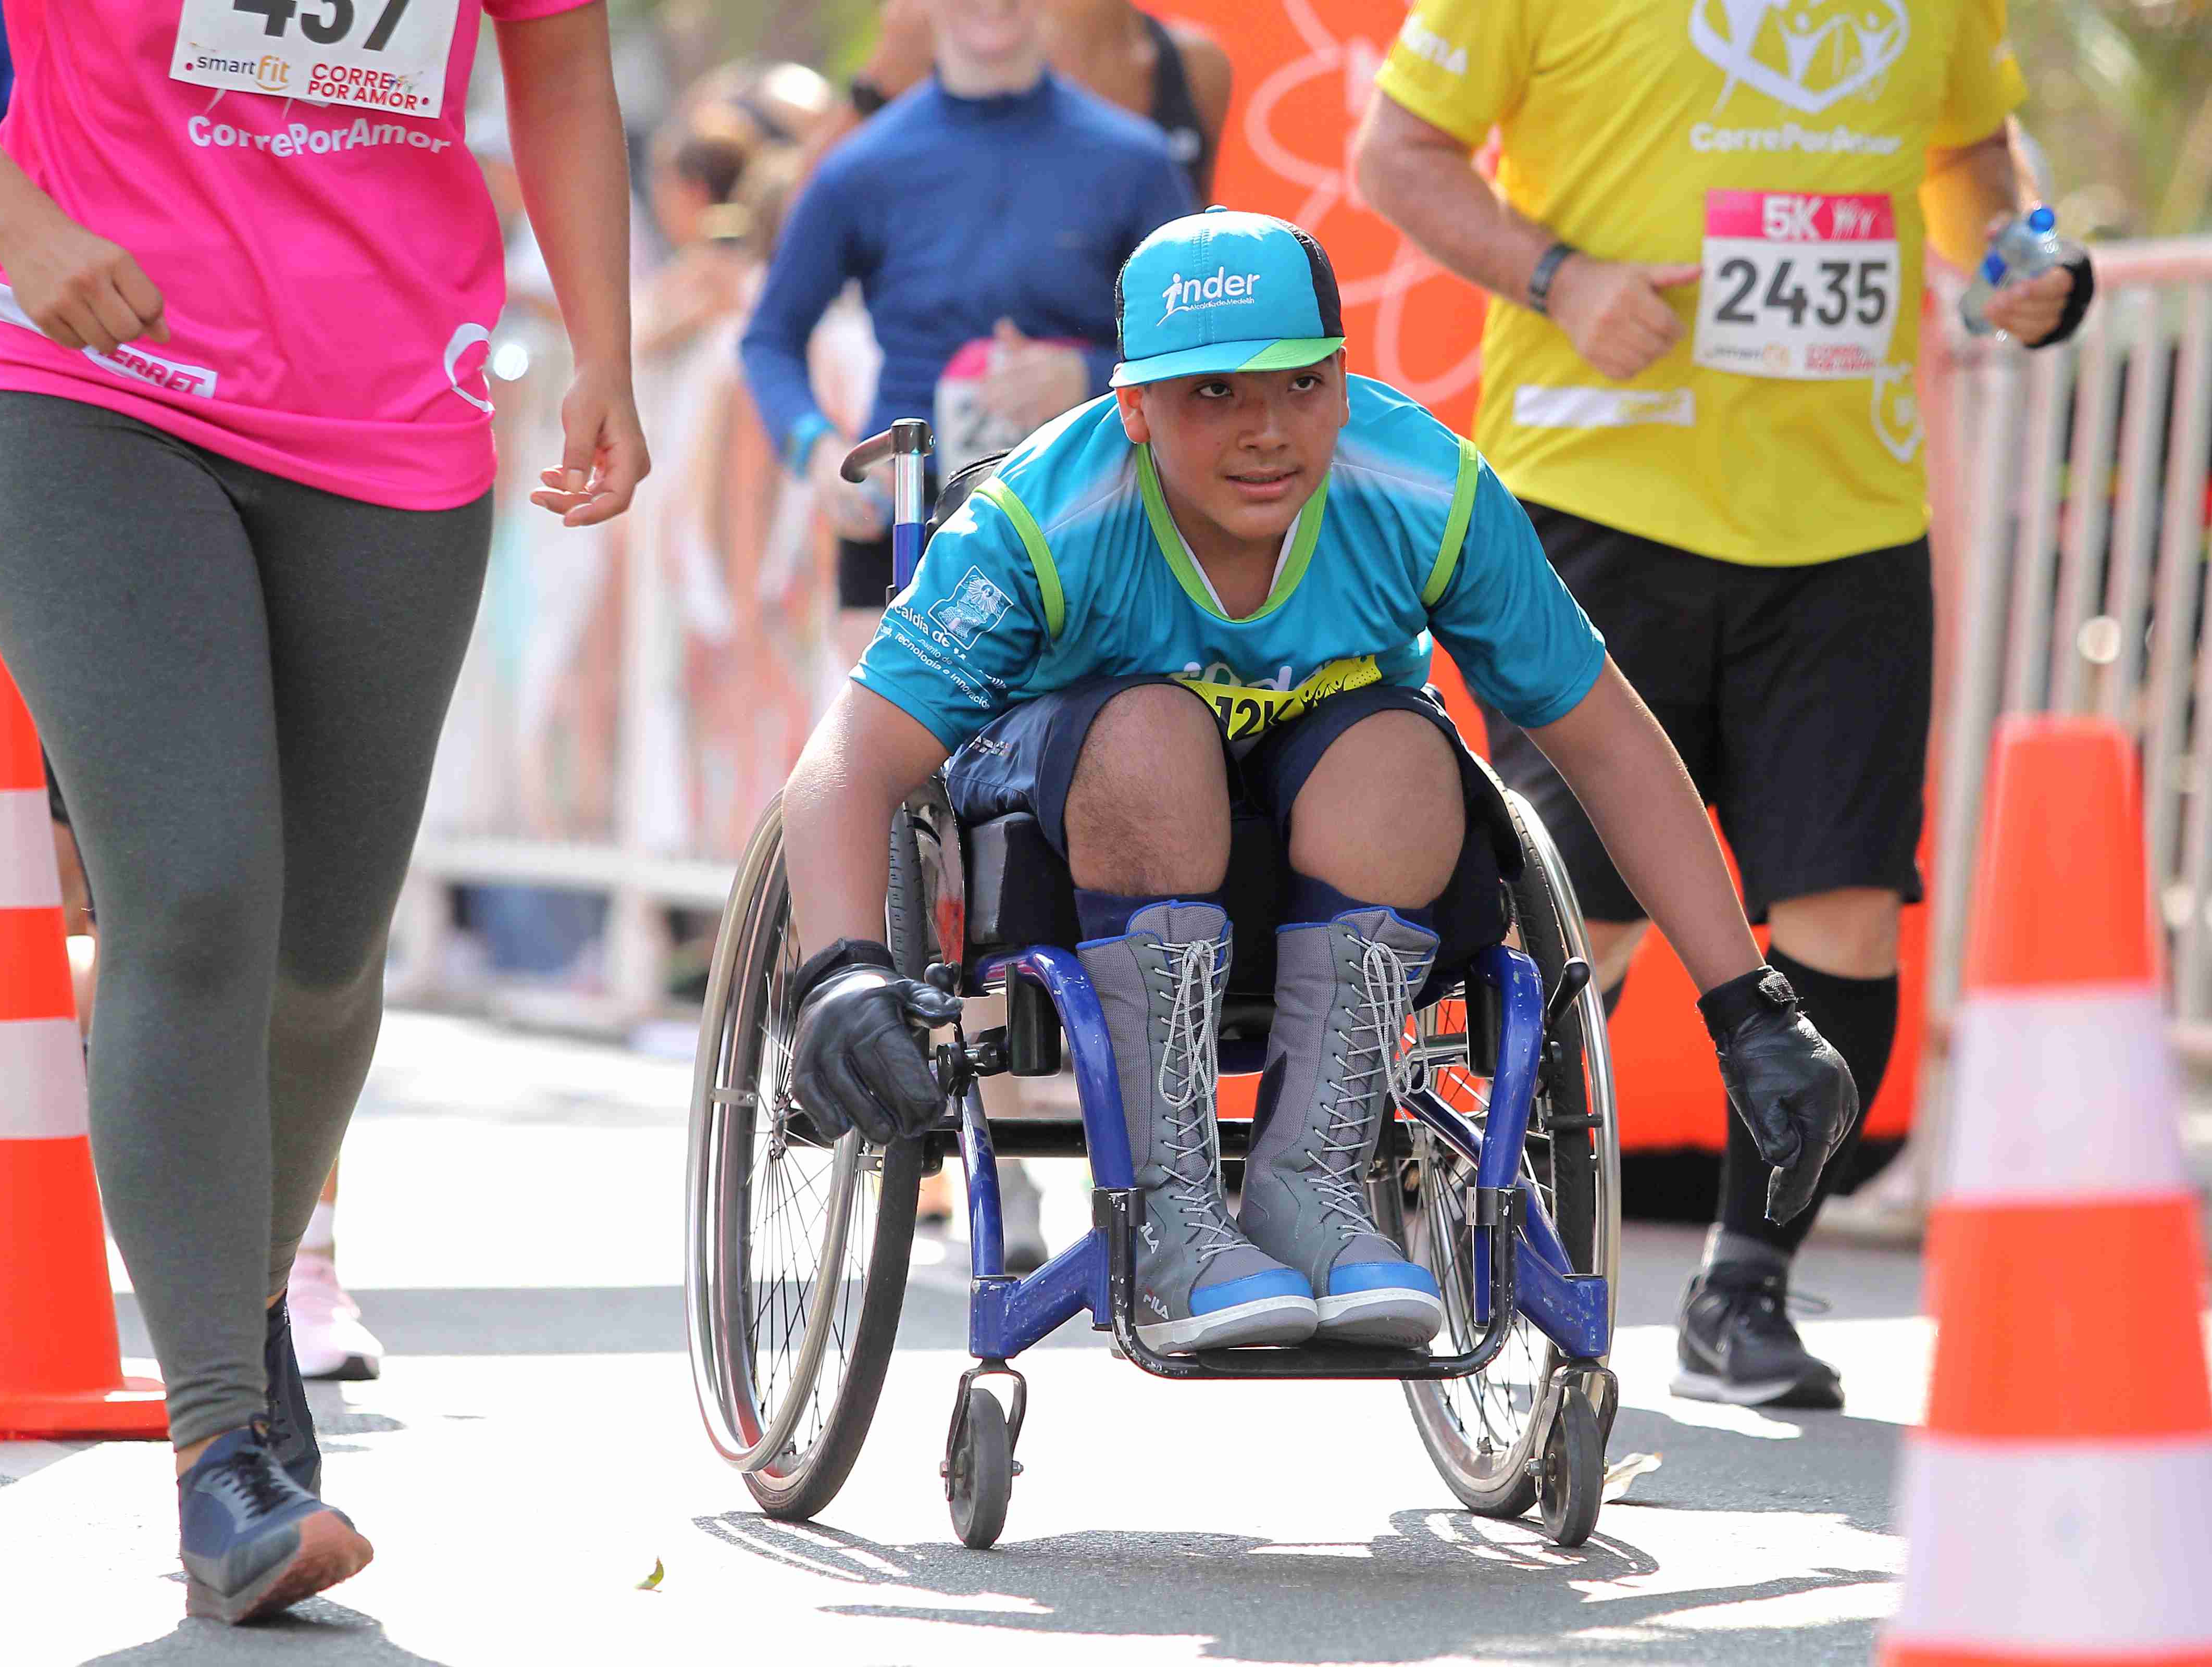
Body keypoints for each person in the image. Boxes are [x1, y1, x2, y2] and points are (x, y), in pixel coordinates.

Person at [775, 208, 1857, 1357]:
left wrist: (1749, 1006)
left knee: (1406, 749)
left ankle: (1312, 1180)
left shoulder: (1427, 492)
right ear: (1133, 409)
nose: (1266, 432)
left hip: (1321, 847)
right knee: (1155, 727)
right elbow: (848, 763)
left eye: (1300, 386)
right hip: (1076, 829)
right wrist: (842, 969)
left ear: (1345, 381)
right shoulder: (1042, 519)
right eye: (1214, 396)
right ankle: (1176, 1209)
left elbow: (1607, 740)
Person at [0, 0, 646, 1625]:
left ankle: (245, 1310)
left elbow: (555, 62)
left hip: (390, 410)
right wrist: (13, 211)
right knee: (195, 892)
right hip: (83, 373)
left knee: (328, 949)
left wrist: (603, 354)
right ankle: (221, 1450)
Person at [1355, 0, 2091, 1407]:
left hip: (1848, 511)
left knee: (1845, 909)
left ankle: (1743, 1288)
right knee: (1596, 898)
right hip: (1598, 492)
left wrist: (2009, 252)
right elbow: (1401, 154)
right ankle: (1463, 1190)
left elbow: (1967, 150)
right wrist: (1559, 276)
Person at [741, 0, 1197, 667]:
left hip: (1090, 516)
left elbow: (1197, 351)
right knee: (895, 770)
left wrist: (1090, 375)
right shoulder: (860, 168)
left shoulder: (1135, 160)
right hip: (907, 527)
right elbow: (769, 338)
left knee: (1095, 757)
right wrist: (819, 454)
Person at [816, 0, 1229, 204]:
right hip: (982, 355)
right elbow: (796, 228)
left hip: (1136, 362)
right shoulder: (955, 39)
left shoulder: (1195, 64)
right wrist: (877, 88)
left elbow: (1193, 244)